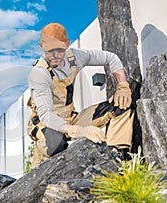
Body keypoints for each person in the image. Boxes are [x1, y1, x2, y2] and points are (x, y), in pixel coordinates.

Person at [27, 22, 134, 168]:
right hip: (45, 125)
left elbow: (111, 58)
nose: (54, 56)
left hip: (72, 119)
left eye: (59, 50)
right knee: (56, 142)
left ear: (67, 44)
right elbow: (45, 115)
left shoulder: (76, 58)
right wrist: (78, 131)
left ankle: (116, 160)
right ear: (42, 46)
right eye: (49, 50)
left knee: (121, 105)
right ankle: (36, 174)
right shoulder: (39, 73)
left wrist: (122, 85)